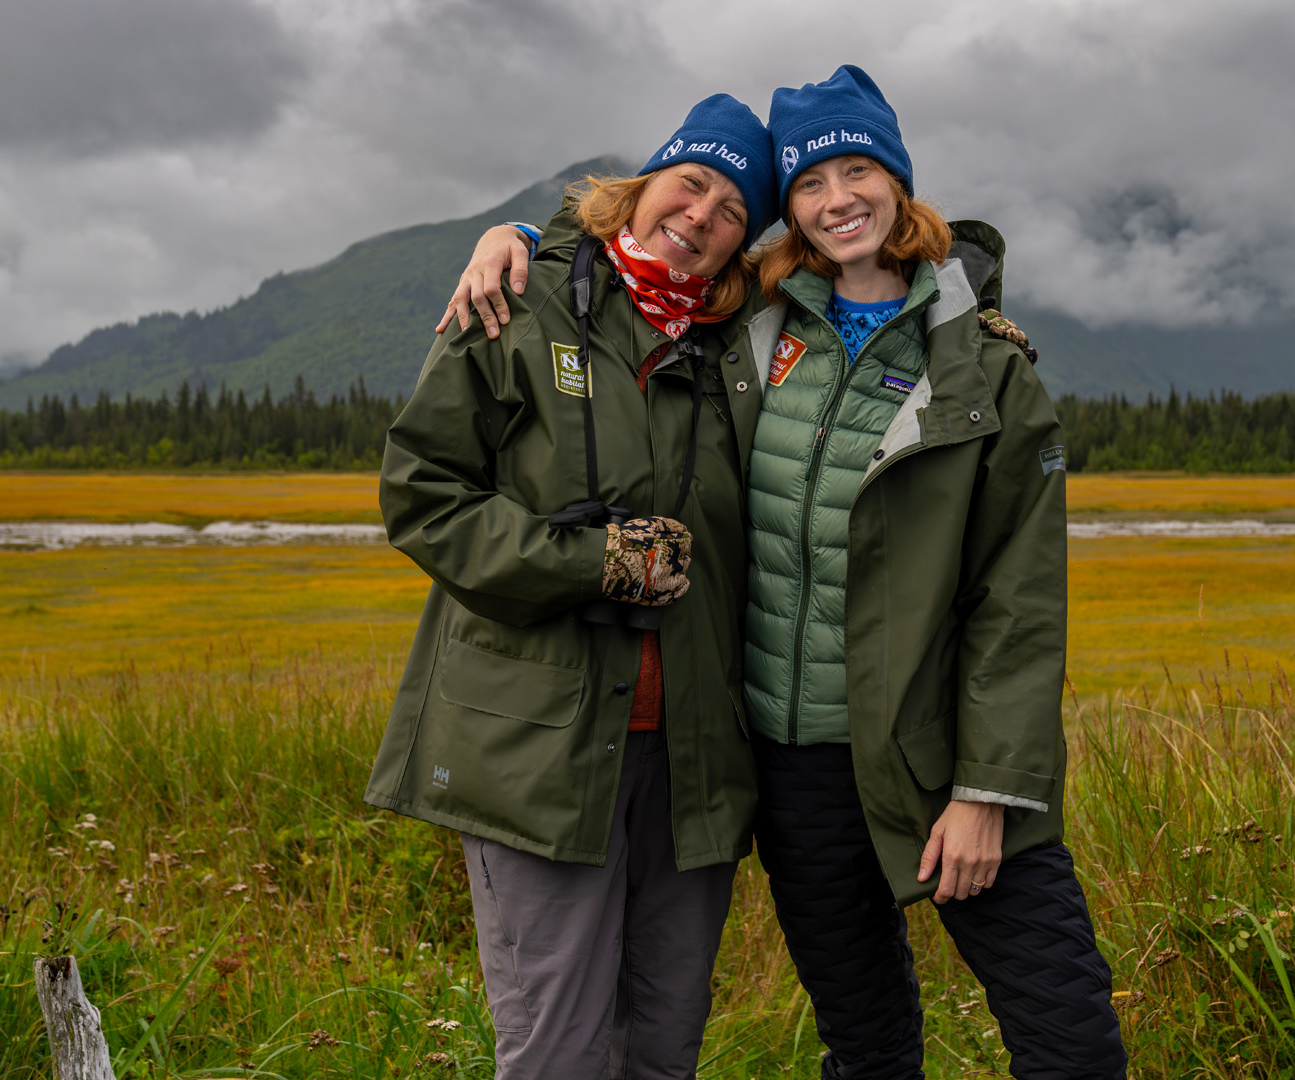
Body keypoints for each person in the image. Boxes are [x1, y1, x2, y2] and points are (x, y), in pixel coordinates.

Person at [448, 66, 1126, 1079]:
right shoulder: (750, 332)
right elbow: (637, 250)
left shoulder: (986, 369)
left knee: (1067, 1040)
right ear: (793, 214)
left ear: (899, 184)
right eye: (811, 182)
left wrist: (990, 789)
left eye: (860, 169)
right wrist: (520, 239)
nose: (838, 196)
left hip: (940, 754)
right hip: (796, 762)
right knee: (865, 1040)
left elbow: (1017, 604)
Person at [365, 93, 779, 1080]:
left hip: (693, 766)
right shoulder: (518, 303)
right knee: (555, 1053)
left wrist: (975, 327)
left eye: (732, 209)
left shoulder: (742, 350)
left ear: (741, 248)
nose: (704, 213)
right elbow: (421, 496)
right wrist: (590, 562)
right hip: (538, 754)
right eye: (693, 182)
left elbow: (880, 279)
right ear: (642, 187)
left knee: (665, 1048)